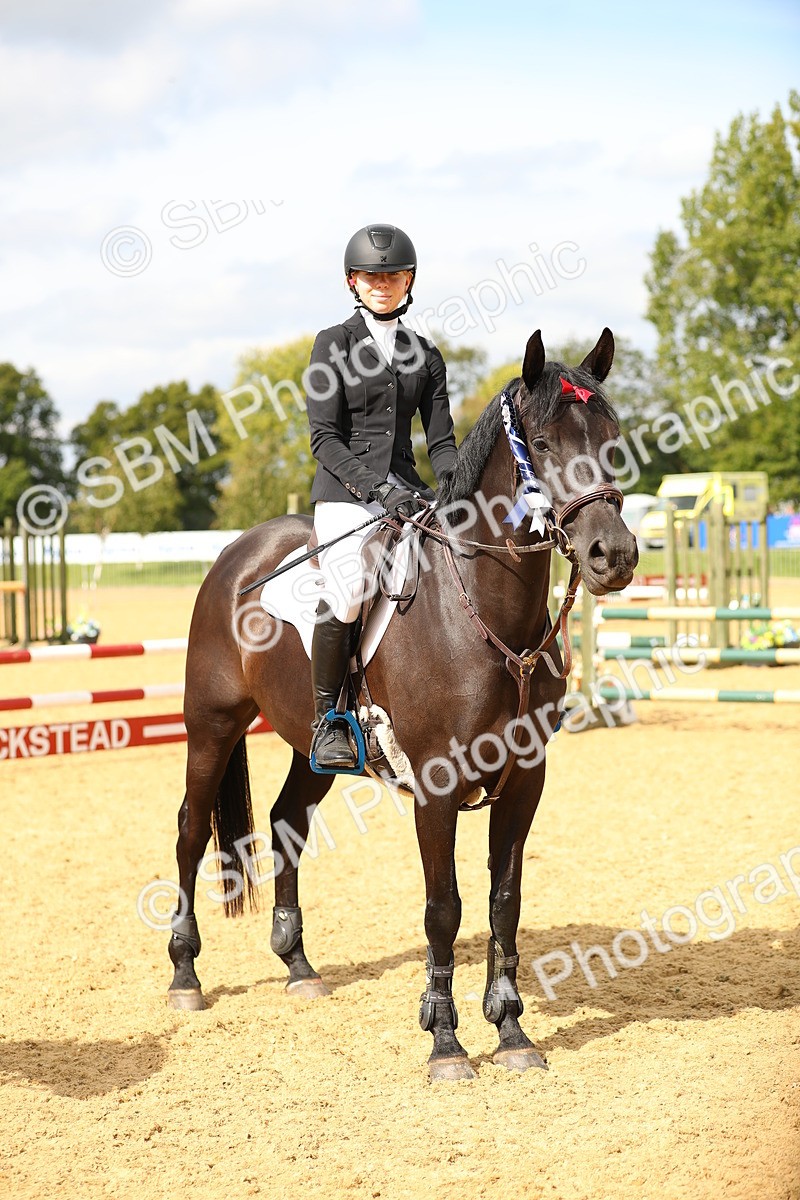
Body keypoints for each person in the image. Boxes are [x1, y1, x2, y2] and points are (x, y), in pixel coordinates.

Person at [305, 223, 457, 770]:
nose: (383, 283)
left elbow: (441, 445)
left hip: (408, 496)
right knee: (348, 590)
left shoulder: (426, 354)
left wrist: (456, 489)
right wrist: (376, 488)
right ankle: (329, 720)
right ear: (353, 280)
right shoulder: (334, 343)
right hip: (346, 496)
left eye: (393, 274)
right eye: (372, 275)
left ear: (409, 279)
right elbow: (324, 437)